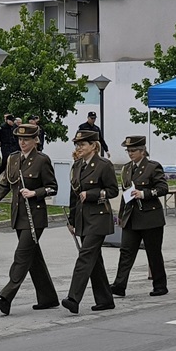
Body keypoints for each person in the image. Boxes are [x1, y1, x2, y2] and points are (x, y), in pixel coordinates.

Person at [0, 123, 60, 313]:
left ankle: (6, 297)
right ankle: (48, 298)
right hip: (19, 216)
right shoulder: (13, 159)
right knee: (33, 258)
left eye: (26, 140)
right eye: (20, 140)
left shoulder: (42, 160)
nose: (22, 143)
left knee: (21, 256)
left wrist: (34, 192)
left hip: (34, 217)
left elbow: (52, 187)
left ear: (35, 140)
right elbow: (5, 184)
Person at [62, 128, 117, 314]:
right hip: (82, 219)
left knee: (85, 257)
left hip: (99, 218)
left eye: (82, 144)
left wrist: (92, 194)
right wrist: (71, 220)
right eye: (77, 144)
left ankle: (73, 298)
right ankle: (105, 299)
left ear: (93, 145)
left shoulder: (104, 165)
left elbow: (112, 191)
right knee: (94, 260)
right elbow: (73, 194)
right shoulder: (77, 166)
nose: (79, 148)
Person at [111, 135, 168, 297]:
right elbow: (125, 193)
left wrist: (144, 194)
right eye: (128, 151)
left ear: (143, 151)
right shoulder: (127, 168)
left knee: (153, 252)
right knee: (126, 251)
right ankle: (119, 284)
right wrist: (121, 214)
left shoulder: (152, 167)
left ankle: (160, 285)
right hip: (132, 216)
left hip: (150, 217)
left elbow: (163, 188)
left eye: (133, 150)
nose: (130, 153)